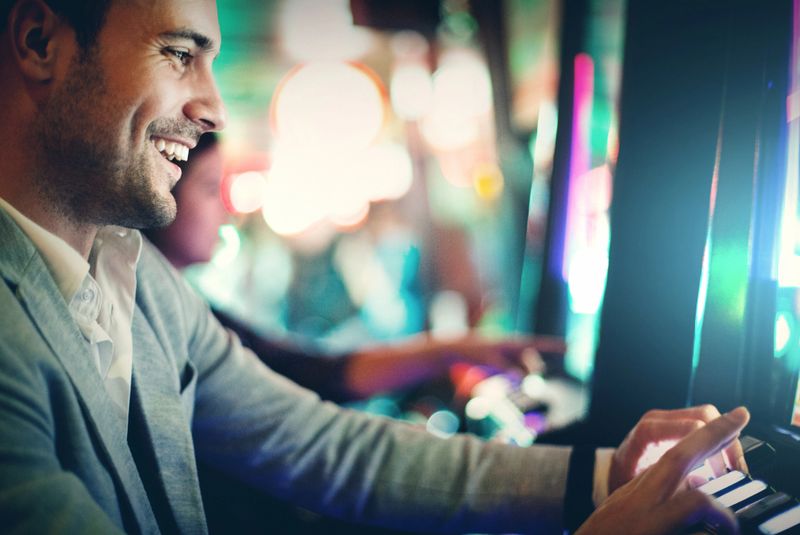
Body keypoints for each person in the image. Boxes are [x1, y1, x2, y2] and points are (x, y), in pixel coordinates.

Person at [0, 1, 750, 534]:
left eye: (211, 61)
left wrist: (606, 475)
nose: (215, 108)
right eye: (178, 53)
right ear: (39, 42)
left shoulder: (135, 279)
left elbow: (324, 446)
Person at [145, 132, 566, 403]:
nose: (227, 212)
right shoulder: (164, 316)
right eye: (209, 189)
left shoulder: (181, 305)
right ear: (161, 189)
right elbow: (310, 378)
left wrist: (451, 349)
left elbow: (311, 371)